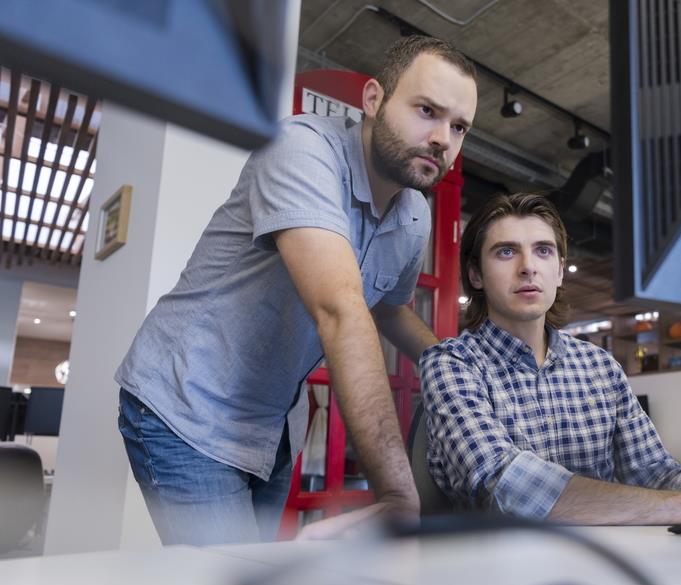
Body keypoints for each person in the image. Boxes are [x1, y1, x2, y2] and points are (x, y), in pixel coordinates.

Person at [115, 36, 478, 545]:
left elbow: (391, 311)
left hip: (272, 427)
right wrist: (398, 492)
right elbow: (341, 309)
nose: (443, 138)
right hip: (188, 406)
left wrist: (461, 369)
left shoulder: (414, 214)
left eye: (458, 126)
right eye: (426, 110)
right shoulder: (301, 149)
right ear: (373, 100)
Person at [419, 193, 681, 524]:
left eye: (542, 251)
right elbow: (505, 486)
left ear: (560, 271)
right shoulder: (451, 364)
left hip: (611, 570)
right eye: (506, 252)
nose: (528, 268)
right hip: (496, 584)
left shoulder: (599, 367)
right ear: (475, 275)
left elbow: (655, 471)